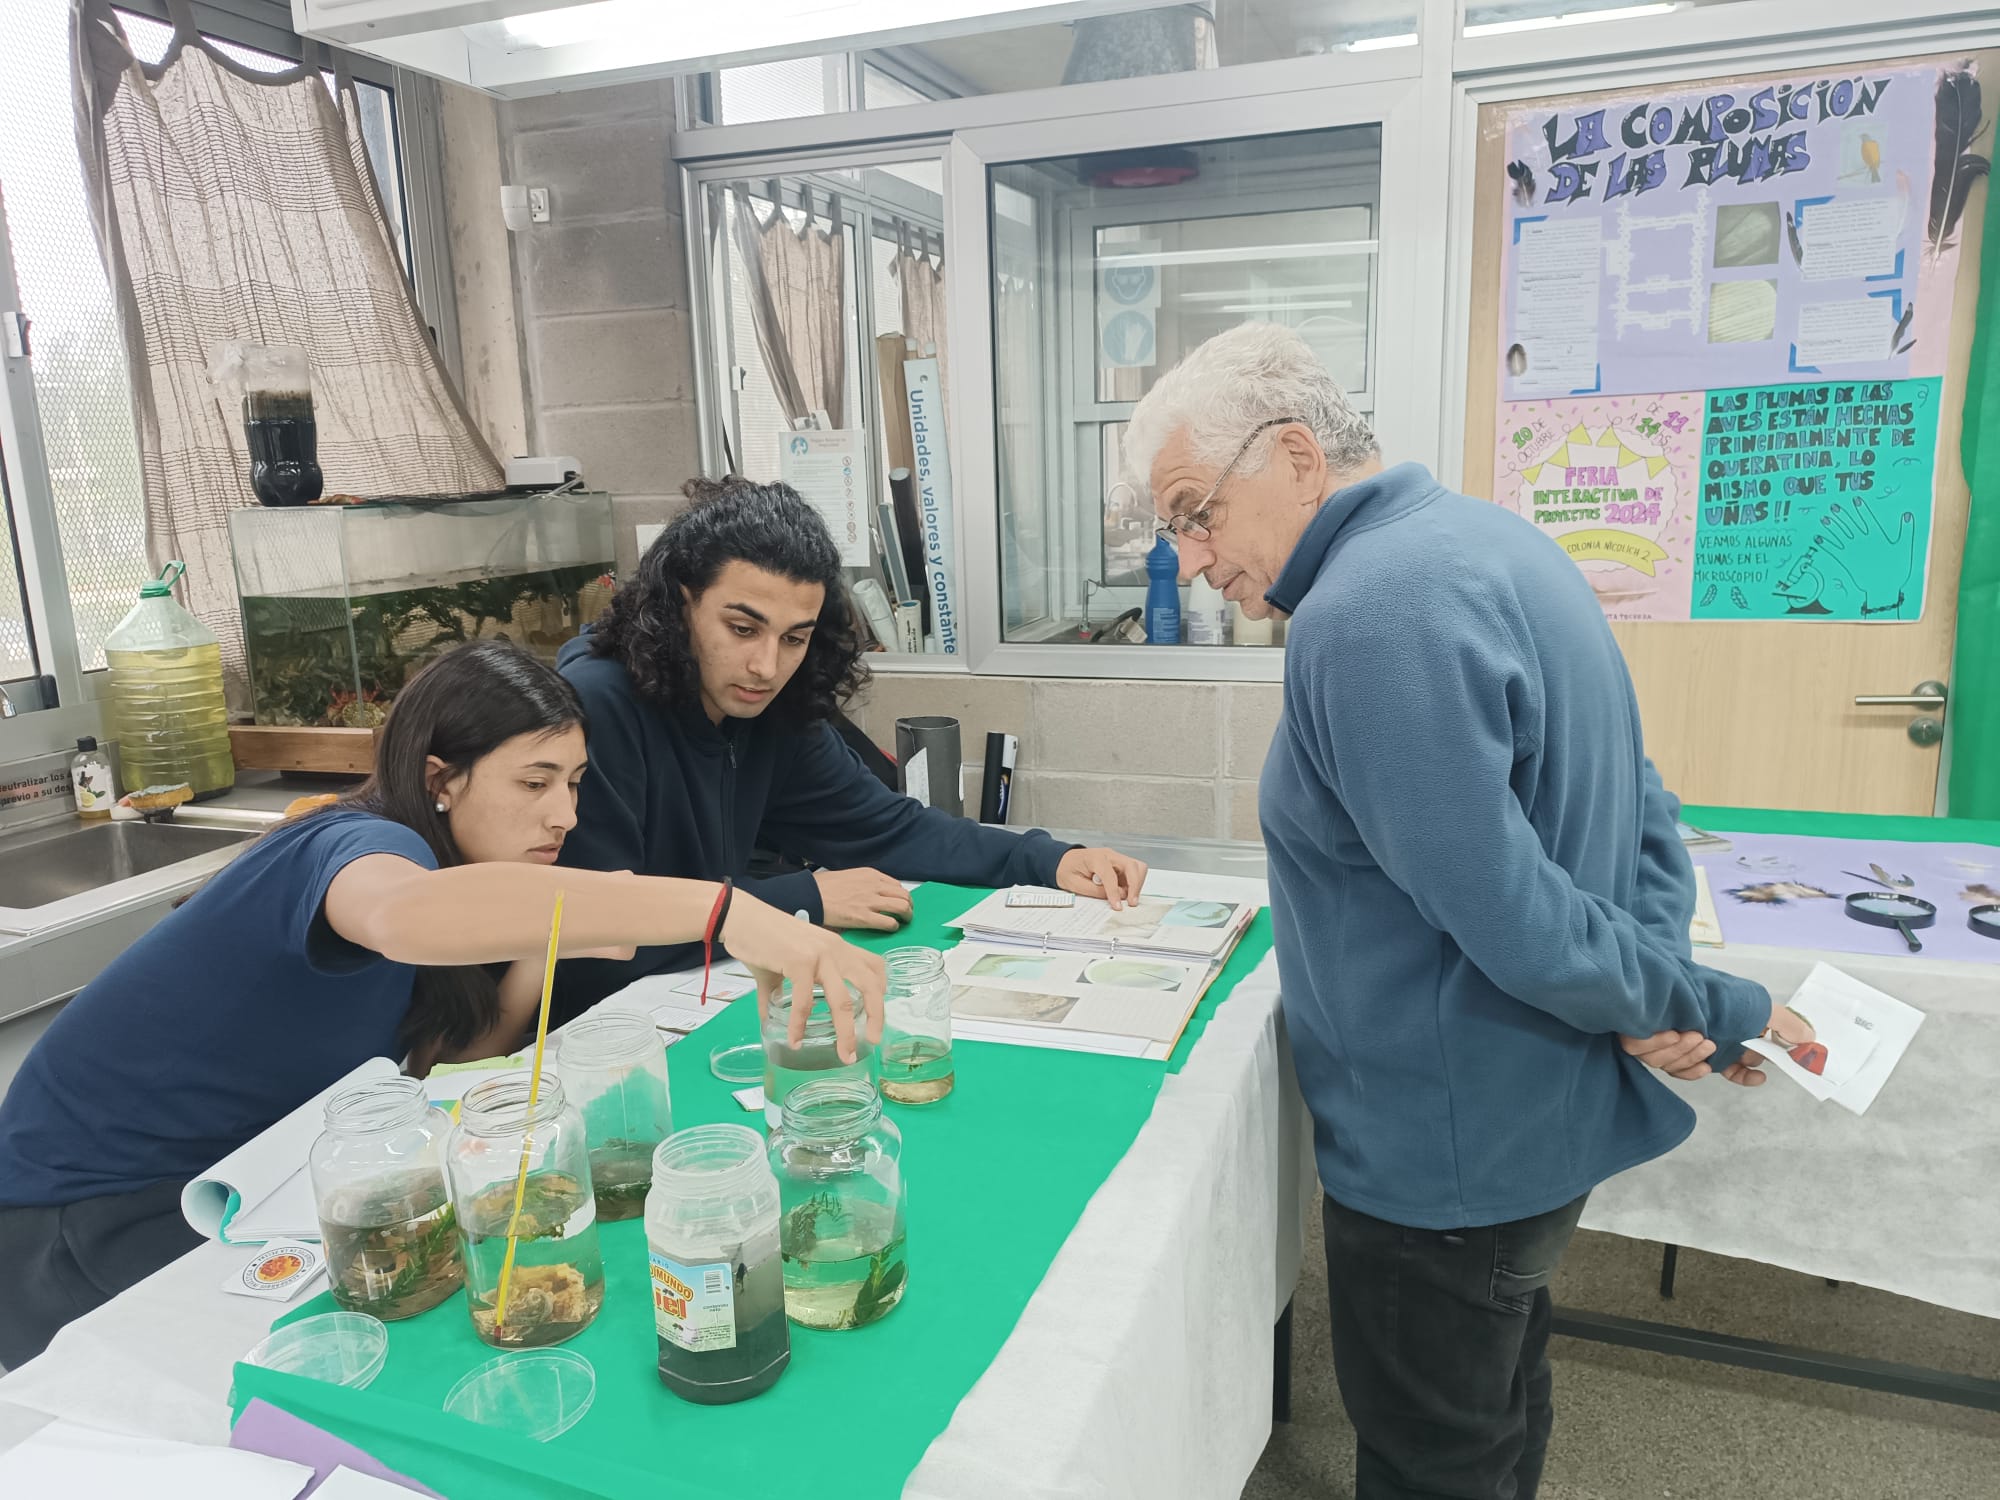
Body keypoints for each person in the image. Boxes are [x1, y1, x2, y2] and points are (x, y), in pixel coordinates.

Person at [1122, 323, 1812, 1500]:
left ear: (1292, 455)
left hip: (1440, 1151)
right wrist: (1648, 990)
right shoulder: (1490, 540)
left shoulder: (1365, 612)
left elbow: (1505, 909)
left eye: (1195, 512)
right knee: (1494, 1404)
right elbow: (1636, 798)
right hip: (1519, 1118)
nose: (1188, 559)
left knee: (1434, 1454)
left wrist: (1705, 1002)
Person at [0, 640, 882, 1368]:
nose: (564, 814)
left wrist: (549, 943)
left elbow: (449, 1062)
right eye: (534, 783)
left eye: (575, 783)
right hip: (82, 1214)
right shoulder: (360, 844)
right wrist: (723, 910)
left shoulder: (461, 889)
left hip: (241, 1186)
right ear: (440, 778)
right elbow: (403, 917)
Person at [552, 478, 1148, 1020]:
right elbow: (597, 931)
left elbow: (889, 829)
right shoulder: (591, 708)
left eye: (794, 638)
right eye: (742, 628)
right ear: (681, 602)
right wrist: (802, 897)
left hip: (695, 1001)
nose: (766, 666)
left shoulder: (769, 710)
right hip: (579, 1035)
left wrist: (1045, 860)